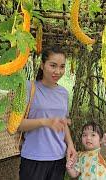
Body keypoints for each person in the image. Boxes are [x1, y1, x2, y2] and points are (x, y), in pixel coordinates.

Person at [17, 47, 77, 180]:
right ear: (42, 65)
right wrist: (45, 122)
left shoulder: (64, 93)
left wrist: (70, 145)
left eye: (62, 67)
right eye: (53, 65)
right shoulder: (28, 88)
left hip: (58, 158)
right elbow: (17, 125)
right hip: (33, 158)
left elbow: (63, 123)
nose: (58, 71)